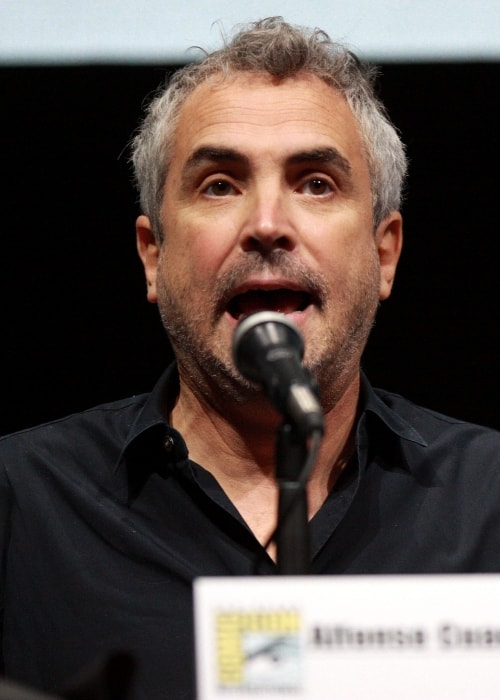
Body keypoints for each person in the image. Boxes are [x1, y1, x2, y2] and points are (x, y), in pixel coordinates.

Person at [0, 16, 499, 700]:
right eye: (220, 185)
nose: (267, 224)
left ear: (385, 253)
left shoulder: (489, 502)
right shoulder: (22, 505)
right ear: (153, 256)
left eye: (316, 183)